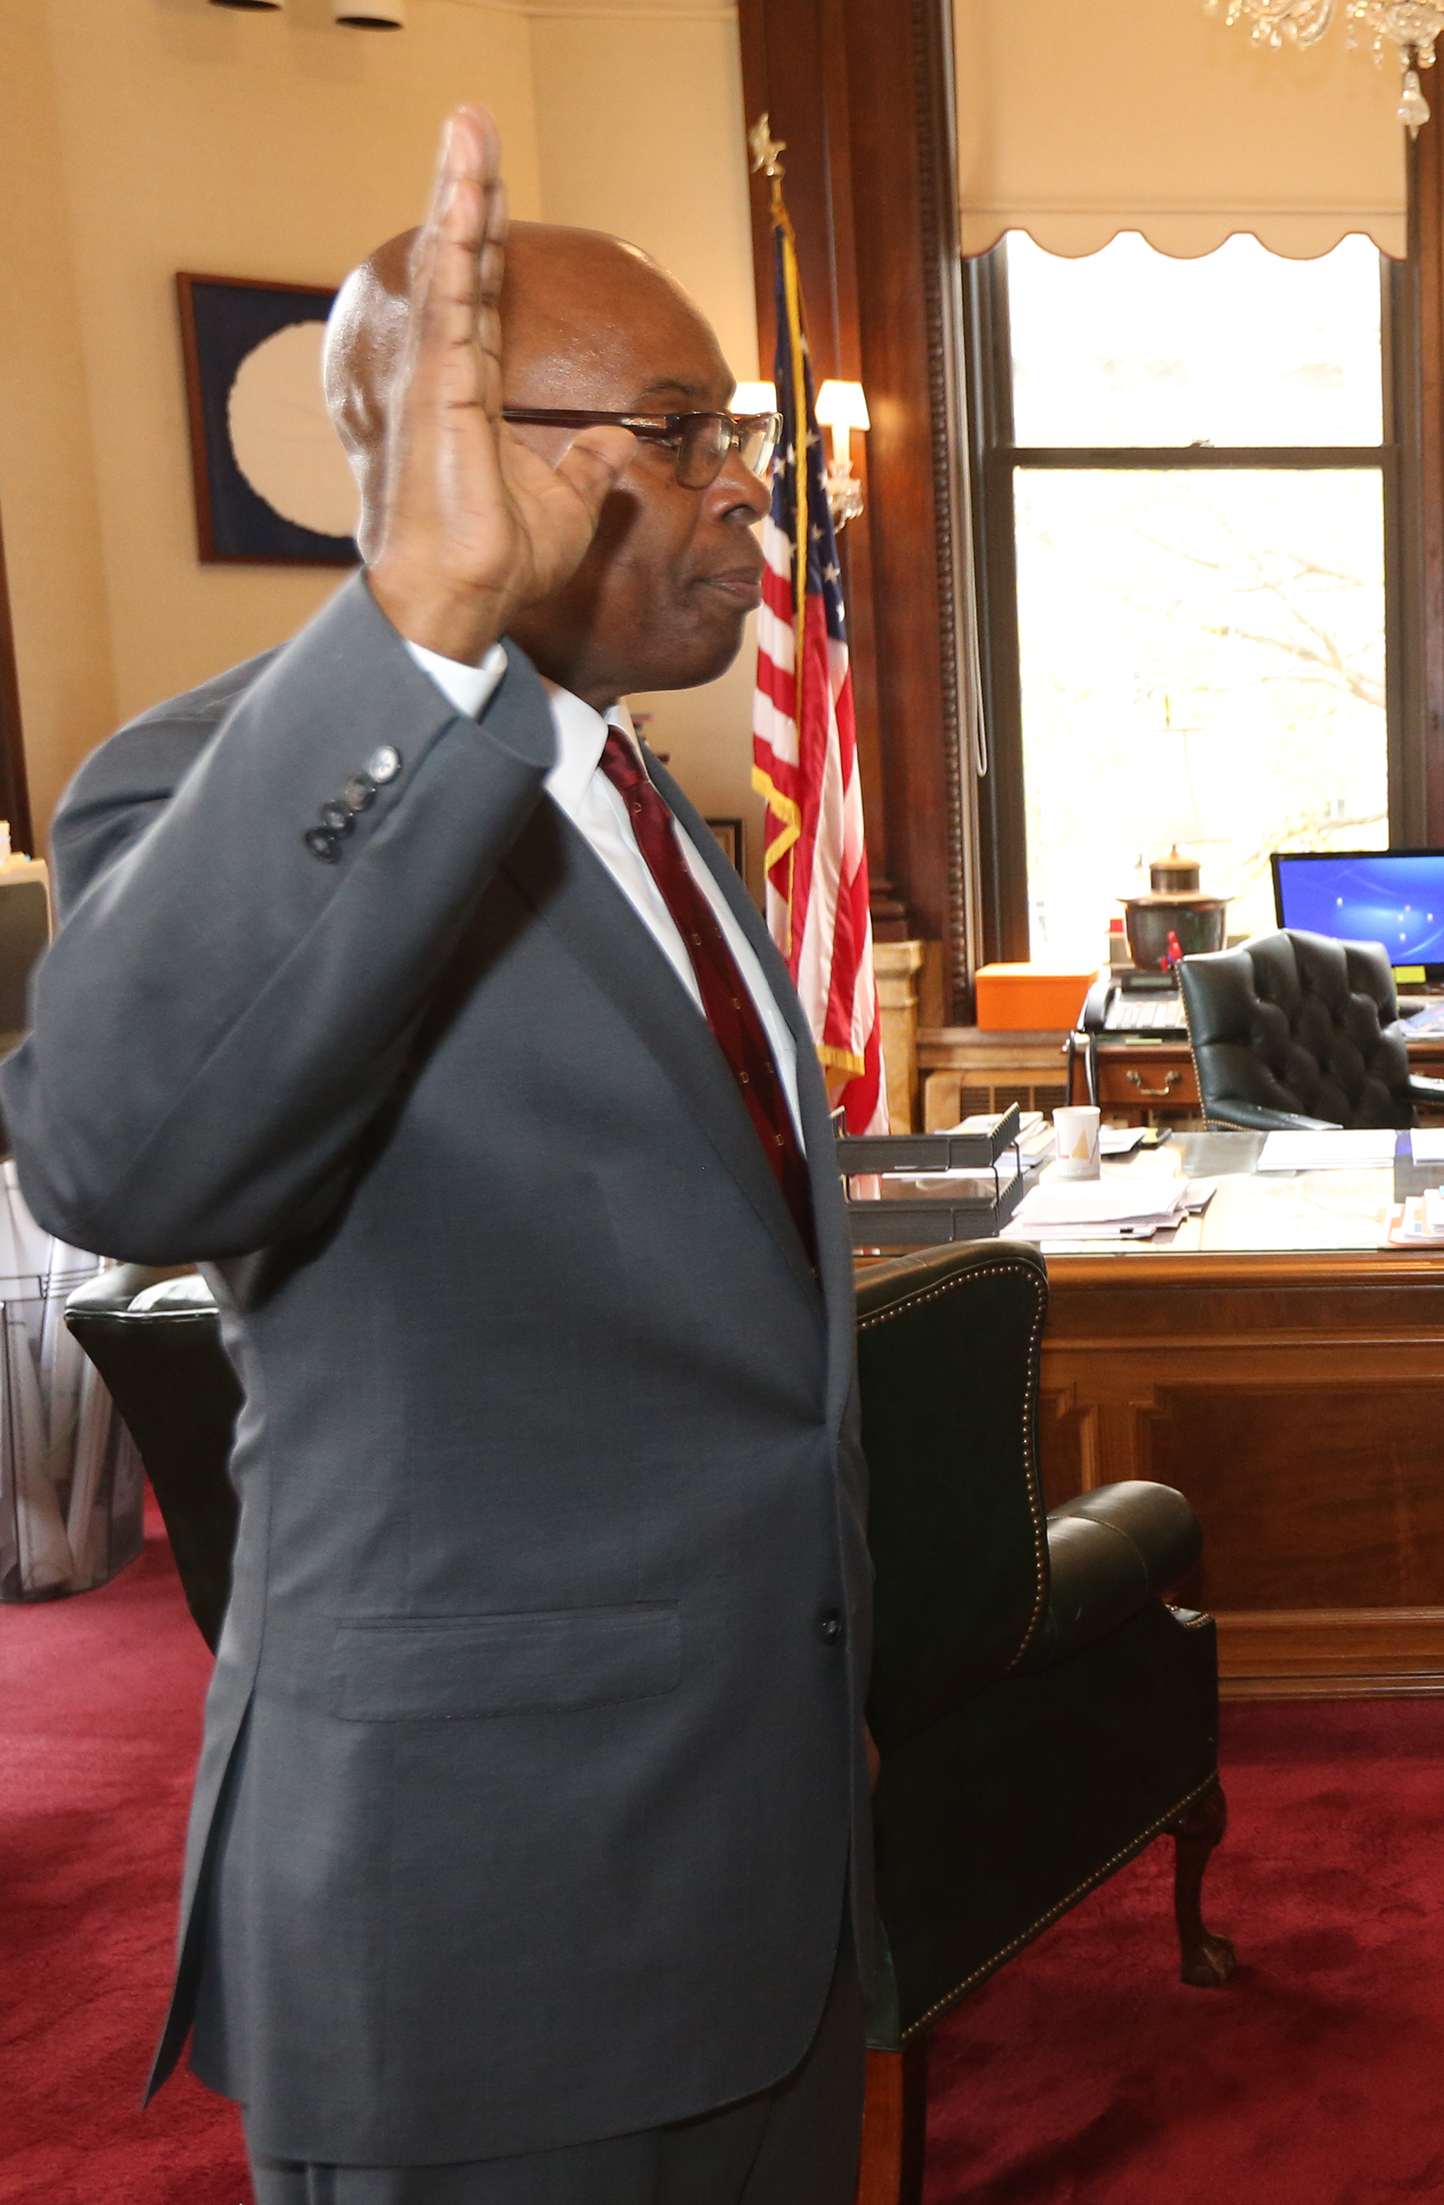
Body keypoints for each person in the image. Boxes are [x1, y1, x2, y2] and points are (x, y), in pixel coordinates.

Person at [1, 110, 869, 2202]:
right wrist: (410, 633)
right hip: (490, 1918)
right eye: (683, 428)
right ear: (460, 444)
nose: (750, 485)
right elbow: (117, 1152)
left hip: (760, 1881)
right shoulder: (213, 784)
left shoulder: (665, 808)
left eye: (740, 426)